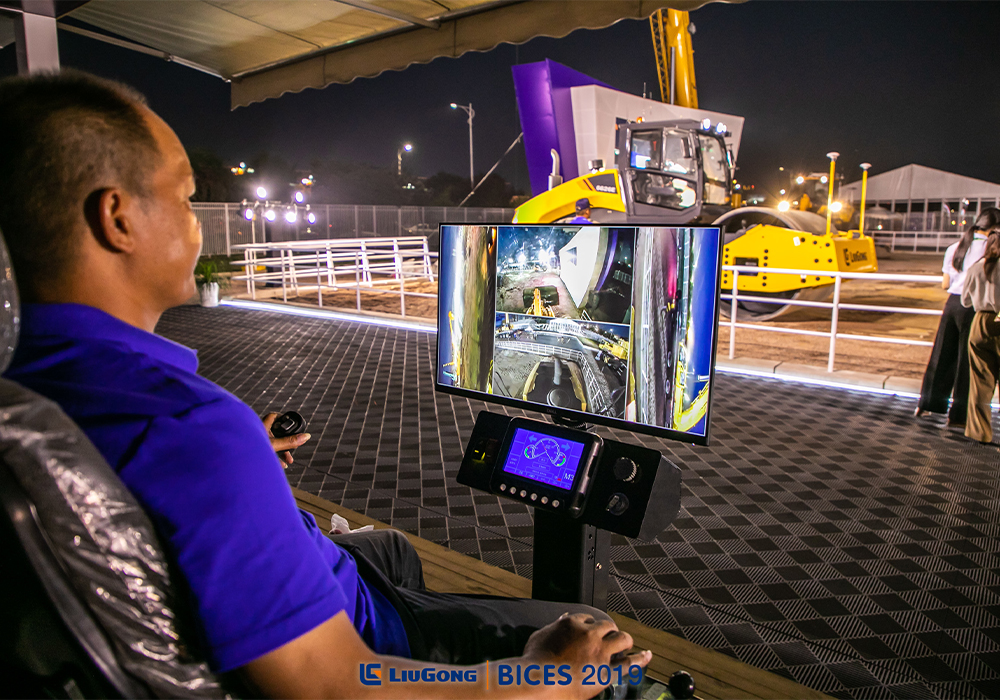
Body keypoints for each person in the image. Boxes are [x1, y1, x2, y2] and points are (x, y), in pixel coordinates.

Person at [0, 71, 649, 699]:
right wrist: (538, 677)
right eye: (185, 197)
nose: (197, 221)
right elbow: (337, 684)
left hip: (324, 575)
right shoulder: (189, 430)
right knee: (595, 637)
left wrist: (243, 460)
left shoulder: (30, 384)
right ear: (117, 218)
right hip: (368, 641)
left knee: (391, 548)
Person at [914, 208, 999, 428]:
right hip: (975, 307)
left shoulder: (955, 247)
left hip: (952, 304)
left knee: (941, 354)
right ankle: (958, 415)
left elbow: (945, 284)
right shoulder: (992, 250)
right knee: (967, 363)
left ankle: (928, 404)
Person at [962, 228, 1000, 445]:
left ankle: (980, 432)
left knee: (980, 381)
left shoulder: (976, 267)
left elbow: (965, 301)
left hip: (980, 322)